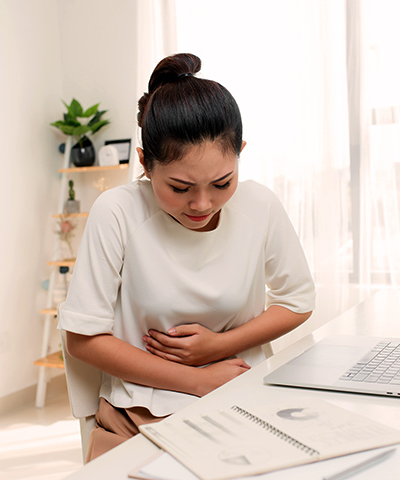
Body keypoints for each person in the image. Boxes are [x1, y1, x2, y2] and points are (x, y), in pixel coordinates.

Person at [58, 53, 315, 461]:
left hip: (244, 397)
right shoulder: (118, 212)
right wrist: (195, 379)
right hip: (143, 414)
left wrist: (217, 347)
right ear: (144, 163)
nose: (201, 203)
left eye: (221, 182)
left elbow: (297, 300)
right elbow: (83, 339)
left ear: (240, 153)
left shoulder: (259, 206)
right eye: (179, 188)